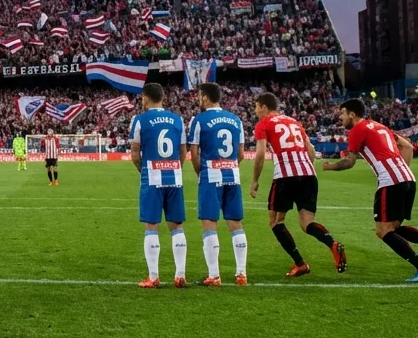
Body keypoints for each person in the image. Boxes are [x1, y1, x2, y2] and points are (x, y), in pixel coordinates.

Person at [324, 98, 418, 283]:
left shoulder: (358, 129)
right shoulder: (379, 126)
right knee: (393, 227)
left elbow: (349, 161)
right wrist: (401, 171)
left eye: (342, 113)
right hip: (408, 179)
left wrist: (329, 167)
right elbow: (407, 146)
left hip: (391, 182)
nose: (339, 118)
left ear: (352, 114)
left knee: (383, 231)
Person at [250, 92, 345, 278]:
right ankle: (332, 244)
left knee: (276, 221)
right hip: (308, 175)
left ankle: (300, 263)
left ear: (263, 106)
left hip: (285, 176)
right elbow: (310, 149)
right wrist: (307, 169)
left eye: (256, 107)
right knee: (307, 223)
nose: (255, 111)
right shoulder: (294, 122)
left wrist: (255, 181)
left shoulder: (263, 124)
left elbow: (260, 154)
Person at [185, 83, 246, 286]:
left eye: (199, 96)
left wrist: (200, 173)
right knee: (235, 224)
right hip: (233, 175)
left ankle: (214, 275)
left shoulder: (199, 120)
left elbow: (193, 153)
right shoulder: (236, 120)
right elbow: (241, 155)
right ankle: (241, 274)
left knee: (209, 223)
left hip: (210, 176)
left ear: (204, 97)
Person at [129, 83, 187, 288]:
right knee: (176, 225)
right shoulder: (177, 119)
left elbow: (135, 154)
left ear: (145, 98)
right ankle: (180, 274)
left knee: (151, 226)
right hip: (174, 177)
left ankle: (153, 277)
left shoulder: (139, 120)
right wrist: (175, 169)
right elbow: (183, 152)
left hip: (152, 177)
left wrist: (144, 171)